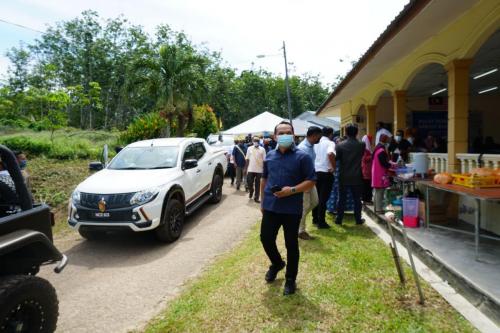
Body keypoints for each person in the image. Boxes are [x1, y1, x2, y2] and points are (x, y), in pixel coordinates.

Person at [260, 121, 316, 295]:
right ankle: (277, 263)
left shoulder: (302, 156)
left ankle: (290, 279)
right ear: (275, 136)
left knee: (291, 244)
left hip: (291, 209)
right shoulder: (269, 156)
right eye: (281, 132)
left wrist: (291, 190)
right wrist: (262, 202)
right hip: (271, 206)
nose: (285, 135)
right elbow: (264, 179)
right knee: (266, 239)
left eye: (288, 132)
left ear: (293, 135)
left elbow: (311, 181)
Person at [334, 124, 365, 225]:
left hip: (343, 175)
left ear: (346, 132)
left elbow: (336, 159)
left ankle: (339, 219)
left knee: (341, 198)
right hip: (357, 175)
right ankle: (358, 219)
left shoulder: (340, 145)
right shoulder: (362, 144)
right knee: (357, 199)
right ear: (356, 133)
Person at [297, 126, 322, 240]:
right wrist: (305, 185)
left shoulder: (310, 146)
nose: (319, 138)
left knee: (314, 202)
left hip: (310, 180)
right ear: (313, 135)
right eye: (318, 136)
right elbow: (299, 168)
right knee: (305, 205)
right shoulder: (303, 148)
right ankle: (301, 231)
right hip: (305, 181)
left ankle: (298, 223)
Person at [312, 127, 335, 229]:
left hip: (315, 172)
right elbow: (330, 153)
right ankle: (321, 221)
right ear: (330, 134)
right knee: (323, 198)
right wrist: (334, 167)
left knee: (316, 197)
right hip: (326, 172)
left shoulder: (315, 143)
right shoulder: (330, 143)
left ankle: (315, 218)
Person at [372, 134, 394, 213]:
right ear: (384, 139)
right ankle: (379, 209)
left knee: (377, 191)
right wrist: (391, 165)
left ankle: (376, 208)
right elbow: (384, 163)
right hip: (380, 173)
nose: (388, 140)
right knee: (380, 191)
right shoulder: (381, 150)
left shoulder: (377, 148)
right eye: (387, 139)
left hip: (376, 172)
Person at [245, 136, 266, 203]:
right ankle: (251, 190)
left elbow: (264, 160)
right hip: (250, 169)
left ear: (259, 142)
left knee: (258, 184)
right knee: (249, 182)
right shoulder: (249, 148)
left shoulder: (262, 149)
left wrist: (264, 170)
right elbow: (247, 159)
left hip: (259, 170)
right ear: (252, 141)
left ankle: (256, 198)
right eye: (254, 141)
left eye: (257, 141)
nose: (255, 142)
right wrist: (245, 168)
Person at [361, 134, 373, 204]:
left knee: (367, 185)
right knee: (367, 186)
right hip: (366, 170)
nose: (371, 142)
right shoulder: (365, 150)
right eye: (370, 140)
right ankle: (366, 200)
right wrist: (372, 156)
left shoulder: (367, 149)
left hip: (367, 170)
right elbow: (364, 159)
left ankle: (367, 199)